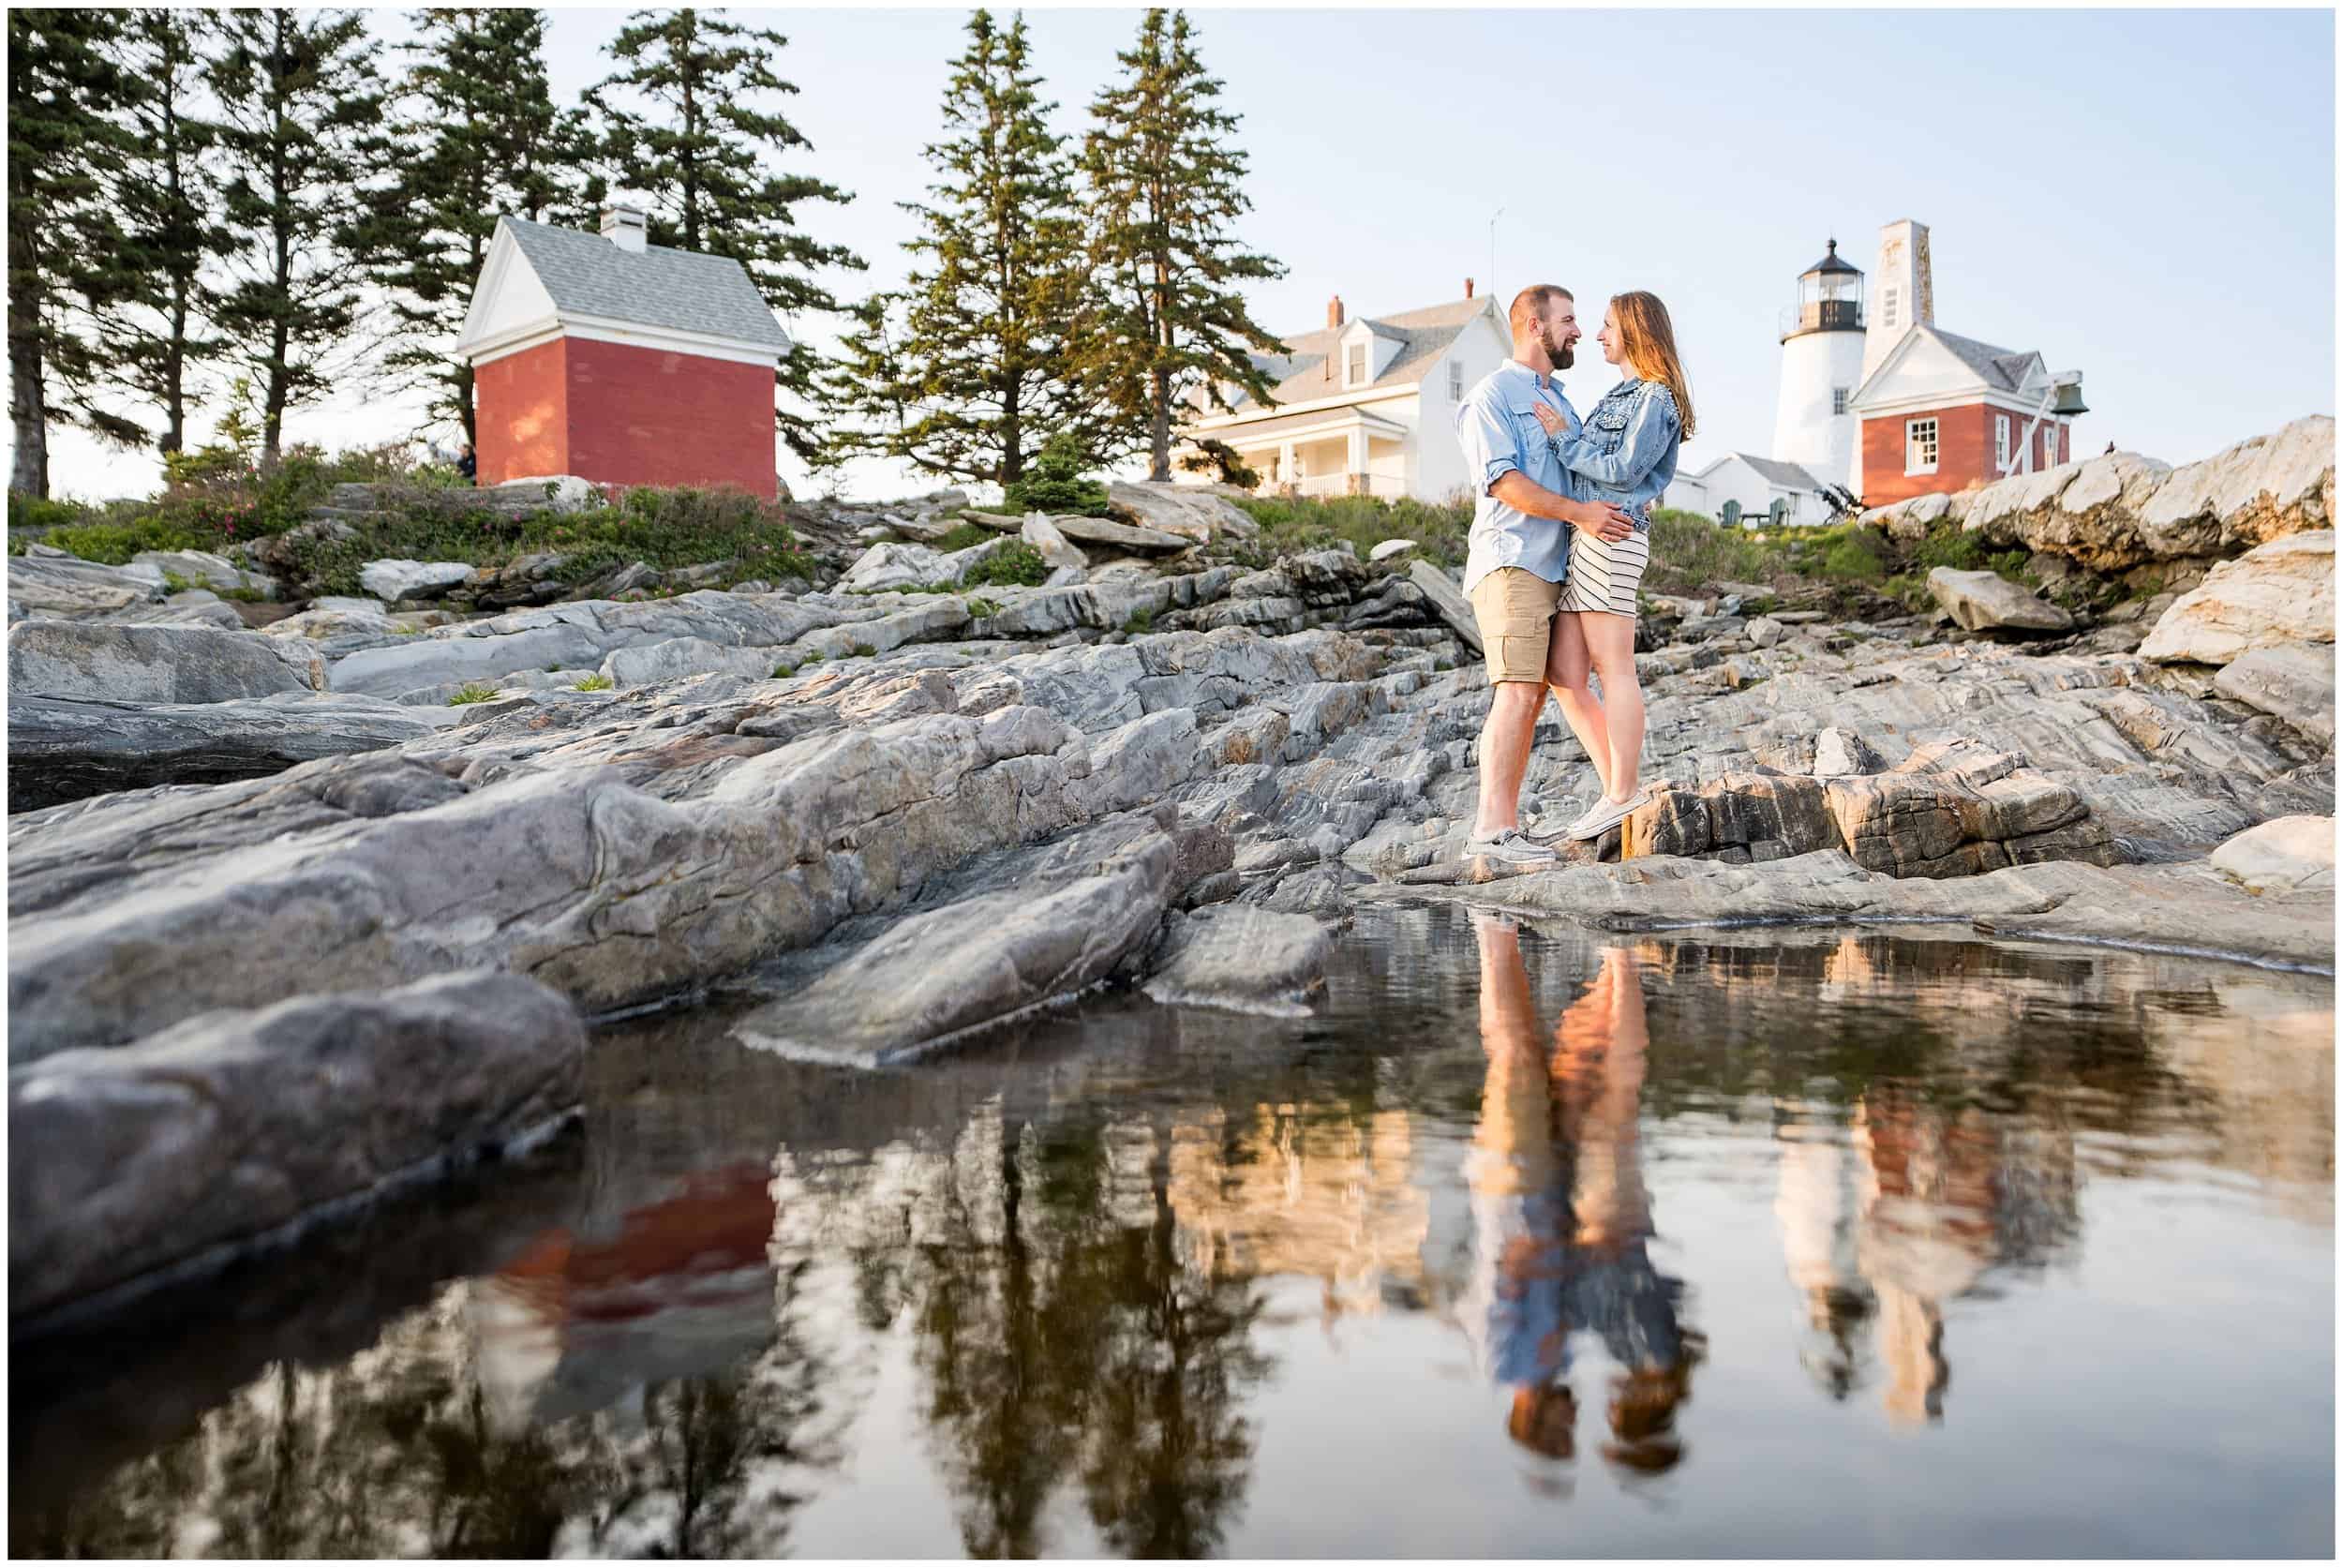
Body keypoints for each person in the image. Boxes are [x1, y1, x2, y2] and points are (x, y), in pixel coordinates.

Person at [1453, 286, 1636, 866]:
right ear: (1535, 326)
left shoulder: (1558, 399)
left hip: (1557, 567)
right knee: (1518, 692)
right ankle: (1492, 832)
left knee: (1555, 682)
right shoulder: (1492, 397)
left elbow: (1582, 468)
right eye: (1569, 320)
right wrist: (1583, 514)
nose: (1578, 331)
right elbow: (1505, 484)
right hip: (1513, 561)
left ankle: (1621, 795)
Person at [1530, 292, 1694, 842]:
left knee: (1614, 666)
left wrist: (1562, 440)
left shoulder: (1656, 398)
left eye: (1606, 326)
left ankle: (1622, 793)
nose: (1598, 336)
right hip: (1589, 536)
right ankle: (1617, 789)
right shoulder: (1620, 394)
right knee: (1566, 673)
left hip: (1614, 540)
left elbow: (1623, 470)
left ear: (1634, 330)